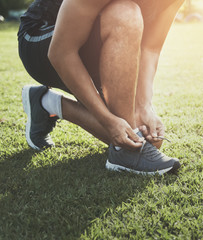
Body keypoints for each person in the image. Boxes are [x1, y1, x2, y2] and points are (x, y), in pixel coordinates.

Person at [18, 0, 184, 175]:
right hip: (41, 38)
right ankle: (125, 154)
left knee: (147, 140)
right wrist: (108, 120)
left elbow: (150, 49)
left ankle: (46, 103)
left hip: (95, 43)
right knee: (125, 12)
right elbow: (61, 53)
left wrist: (145, 106)